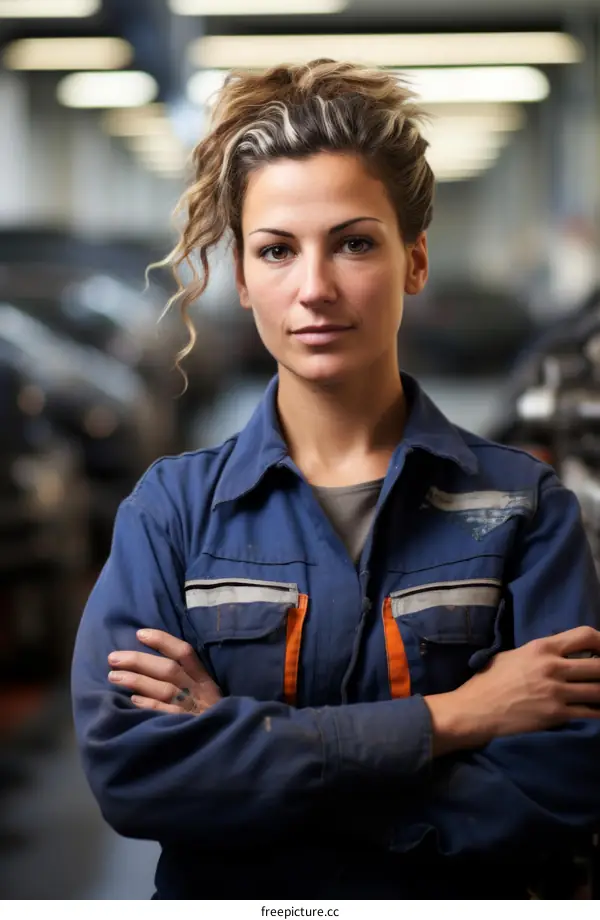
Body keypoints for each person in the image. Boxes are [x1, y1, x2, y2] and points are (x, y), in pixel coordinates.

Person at [71, 59, 600, 899]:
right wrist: (450, 720)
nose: (314, 288)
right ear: (242, 278)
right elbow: (138, 775)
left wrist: (258, 772)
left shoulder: (525, 513)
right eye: (277, 250)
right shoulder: (171, 515)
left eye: (354, 243)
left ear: (414, 260)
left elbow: (559, 788)